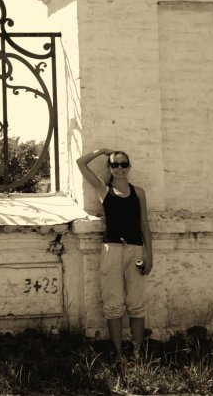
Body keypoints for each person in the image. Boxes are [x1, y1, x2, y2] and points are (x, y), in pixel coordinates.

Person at [77, 148, 153, 359]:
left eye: (123, 164)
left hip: (135, 250)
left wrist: (149, 255)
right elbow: (81, 163)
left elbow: (144, 225)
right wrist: (102, 151)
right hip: (111, 250)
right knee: (113, 303)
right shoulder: (104, 189)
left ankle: (137, 353)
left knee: (137, 303)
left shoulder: (138, 192)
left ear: (129, 167)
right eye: (115, 164)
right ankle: (119, 355)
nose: (120, 168)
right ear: (109, 168)